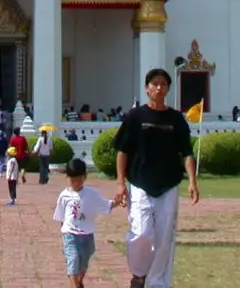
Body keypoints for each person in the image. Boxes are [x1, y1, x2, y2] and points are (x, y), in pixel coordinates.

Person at [114, 67, 199, 288]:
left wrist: (192, 181)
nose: (159, 88)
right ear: (147, 89)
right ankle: (139, 273)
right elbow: (122, 151)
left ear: (168, 88)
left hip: (168, 184)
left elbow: (187, 152)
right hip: (140, 183)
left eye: (163, 84)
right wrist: (121, 184)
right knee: (141, 233)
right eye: (155, 84)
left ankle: (157, 282)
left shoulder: (176, 118)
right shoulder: (135, 116)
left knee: (164, 239)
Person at [53, 157, 118, 288]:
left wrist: (118, 201)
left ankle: (79, 280)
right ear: (67, 178)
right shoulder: (64, 195)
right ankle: (74, 284)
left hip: (87, 235)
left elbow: (106, 205)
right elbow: (60, 216)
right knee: (73, 259)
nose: (76, 183)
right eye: (72, 180)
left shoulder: (91, 194)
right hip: (70, 234)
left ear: (85, 177)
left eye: (79, 180)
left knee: (83, 262)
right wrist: (64, 233)